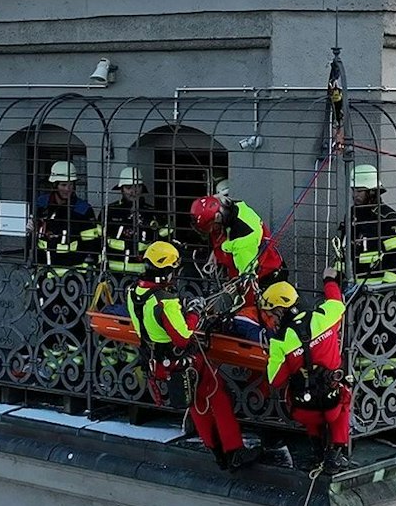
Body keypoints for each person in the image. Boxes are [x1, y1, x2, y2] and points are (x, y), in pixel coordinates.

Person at [125, 241, 259, 471]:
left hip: (159, 361)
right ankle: (234, 451)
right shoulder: (164, 301)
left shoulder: (134, 293)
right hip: (185, 361)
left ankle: (218, 453)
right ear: (167, 270)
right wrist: (194, 313)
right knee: (217, 398)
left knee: (197, 404)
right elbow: (183, 337)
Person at [262, 278, 351, 472]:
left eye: (271, 314)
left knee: (303, 389)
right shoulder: (323, 316)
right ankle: (336, 453)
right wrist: (329, 280)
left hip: (303, 409)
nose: (271, 320)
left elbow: (275, 380)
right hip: (332, 404)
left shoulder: (279, 341)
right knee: (345, 395)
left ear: (281, 310)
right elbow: (337, 302)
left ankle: (317, 451)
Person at [332, 164, 396, 286]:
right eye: (353, 190)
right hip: (352, 286)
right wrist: (336, 276)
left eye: (360, 191)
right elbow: (344, 249)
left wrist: (385, 288)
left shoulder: (387, 216)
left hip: (377, 287)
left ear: (372, 192)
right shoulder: (351, 214)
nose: (355, 195)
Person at [102, 167, 172, 281]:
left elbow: (166, 243)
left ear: (142, 188)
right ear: (121, 189)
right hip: (113, 276)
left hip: (144, 276)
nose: (133, 192)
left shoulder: (153, 213)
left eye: (136, 187)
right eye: (128, 187)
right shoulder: (110, 211)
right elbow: (99, 241)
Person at [33, 161, 101, 274]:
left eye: (71, 185)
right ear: (54, 185)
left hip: (73, 274)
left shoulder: (83, 209)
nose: (68, 189)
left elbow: (92, 245)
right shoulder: (41, 203)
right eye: (63, 185)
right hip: (43, 271)